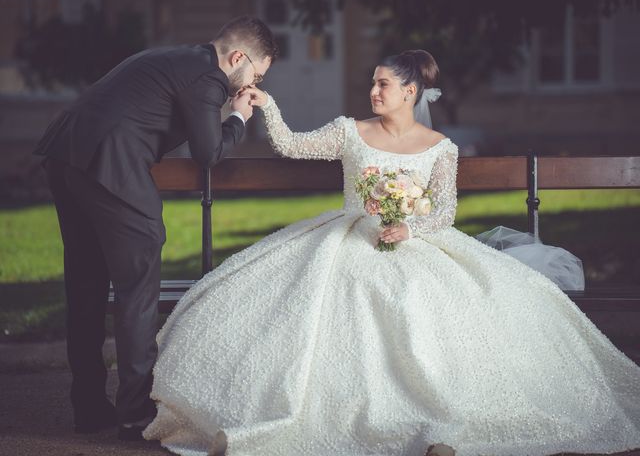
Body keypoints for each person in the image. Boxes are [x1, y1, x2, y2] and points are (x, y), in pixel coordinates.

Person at [143, 50, 640, 455]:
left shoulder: (440, 147)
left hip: (417, 241)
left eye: (383, 84)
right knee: (333, 296)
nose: (373, 91)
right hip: (347, 237)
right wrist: (266, 106)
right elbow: (291, 145)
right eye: (372, 83)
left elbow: (443, 212)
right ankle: (273, 423)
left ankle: (437, 424)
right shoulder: (348, 130)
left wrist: (410, 228)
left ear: (411, 92)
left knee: (436, 308)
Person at [33, 16, 277, 440]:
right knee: (138, 291)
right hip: (112, 165)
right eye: (255, 74)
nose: (249, 84)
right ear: (238, 57)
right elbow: (208, 153)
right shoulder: (208, 76)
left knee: (86, 288)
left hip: (66, 152)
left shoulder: (175, 57)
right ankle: (134, 415)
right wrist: (238, 115)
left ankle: (89, 408)